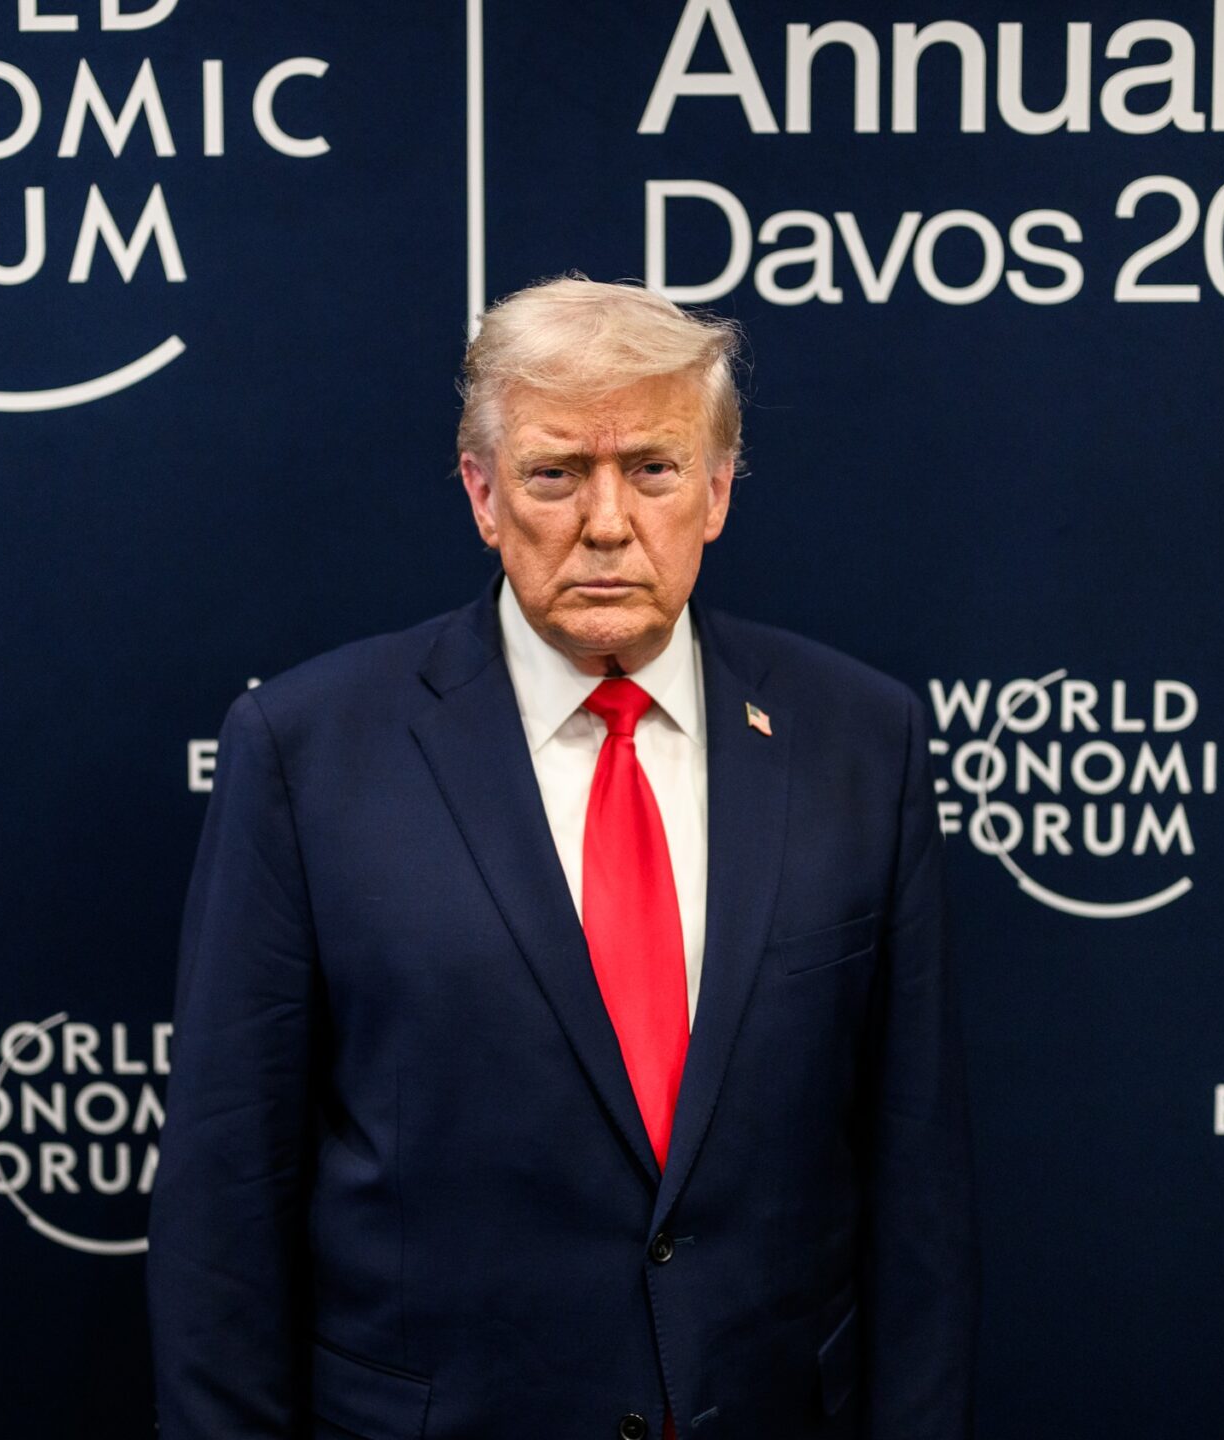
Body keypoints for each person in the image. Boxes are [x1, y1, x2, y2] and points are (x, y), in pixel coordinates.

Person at [147, 276, 976, 1439]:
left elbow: (915, 1189)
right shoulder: (304, 751)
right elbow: (223, 1208)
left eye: (651, 468)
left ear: (718, 491)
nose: (604, 521)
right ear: (482, 494)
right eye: (554, 474)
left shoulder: (861, 740)